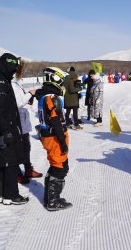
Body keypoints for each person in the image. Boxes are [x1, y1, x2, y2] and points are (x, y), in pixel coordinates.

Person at [0, 53, 29, 205]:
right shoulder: (0, 82)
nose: (14, 72)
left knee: (0, 162)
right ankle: (11, 195)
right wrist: (6, 131)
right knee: (11, 162)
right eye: (13, 68)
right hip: (4, 127)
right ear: (7, 66)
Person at [35, 67, 72, 211]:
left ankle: (50, 198)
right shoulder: (51, 98)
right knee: (60, 167)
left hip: (51, 135)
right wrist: (62, 142)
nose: (62, 84)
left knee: (57, 165)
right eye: (61, 80)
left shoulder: (45, 95)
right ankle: (52, 201)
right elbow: (55, 120)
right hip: (55, 137)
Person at [12, 69, 43, 184]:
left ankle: (28, 169)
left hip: (23, 117)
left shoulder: (17, 83)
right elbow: (18, 102)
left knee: (26, 145)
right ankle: (16, 173)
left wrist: (28, 97)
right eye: (19, 71)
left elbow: (21, 99)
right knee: (17, 146)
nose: (21, 73)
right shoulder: (11, 84)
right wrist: (30, 94)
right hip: (17, 117)